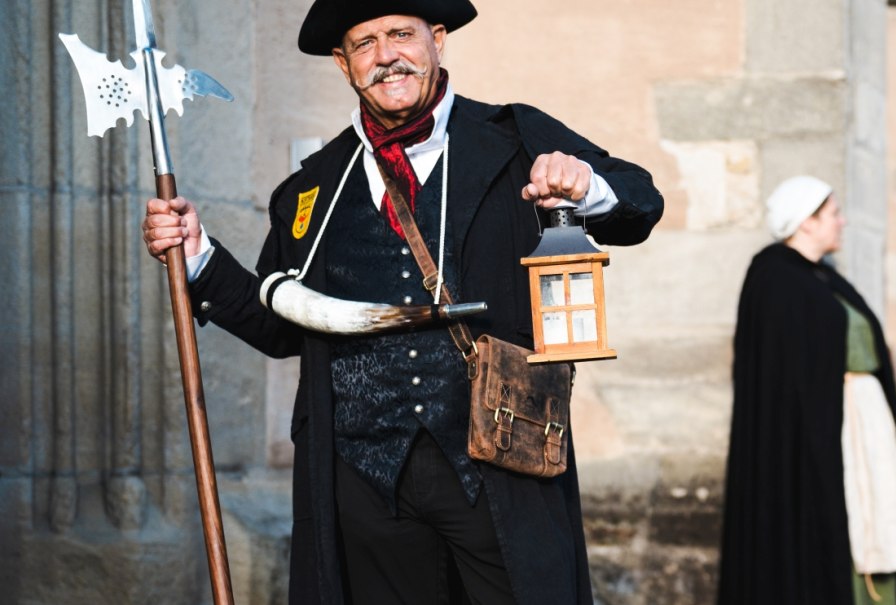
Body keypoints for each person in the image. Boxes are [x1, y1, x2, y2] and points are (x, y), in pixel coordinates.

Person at [140, 1, 663, 603]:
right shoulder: (312, 187)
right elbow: (280, 327)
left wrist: (584, 186)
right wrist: (200, 254)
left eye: (400, 35)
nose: (386, 56)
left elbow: (641, 203)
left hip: (497, 460)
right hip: (362, 478)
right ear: (343, 64)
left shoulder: (515, 138)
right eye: (365, 44)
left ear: (436, 41)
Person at [717, 176, 896, 605]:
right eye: (833, 213)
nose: (843, 221)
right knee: (838, 517)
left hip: (861, 424)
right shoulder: (774, 278)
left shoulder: (825, 279)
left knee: (876, 515)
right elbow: (781, 381)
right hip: (821, 434)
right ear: (807, 223)